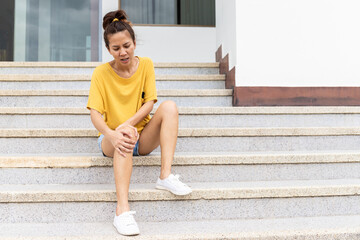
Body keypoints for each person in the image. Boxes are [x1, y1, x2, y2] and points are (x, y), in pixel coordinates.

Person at [86, 9, 192, 236]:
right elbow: (95, 114)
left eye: (127, 46)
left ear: (134, 43)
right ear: (108, 50)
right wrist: (114, 133)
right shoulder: (100, 73)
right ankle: (121, 210)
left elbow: (150, 103)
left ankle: (165, 176)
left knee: (170, 107)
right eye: (116, 48)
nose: (122, 52)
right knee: (123, 137)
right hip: (110, 139)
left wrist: (128, 125)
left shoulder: (146, 65)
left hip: (141, 137)